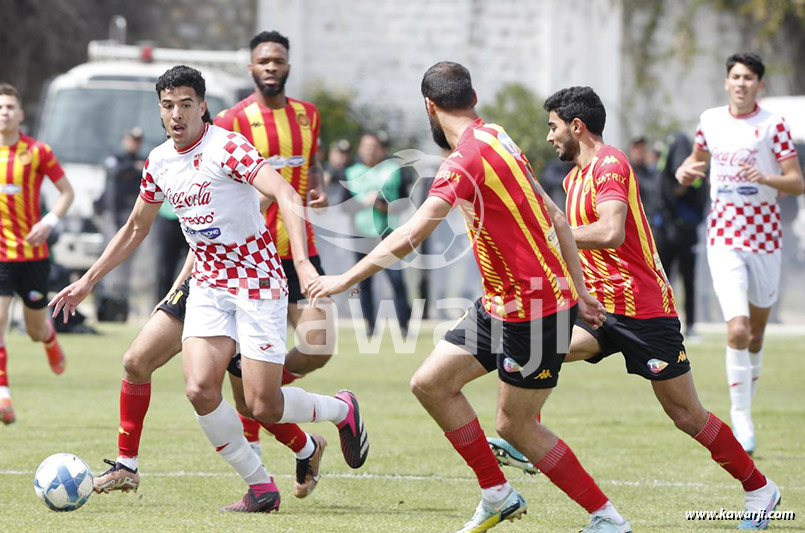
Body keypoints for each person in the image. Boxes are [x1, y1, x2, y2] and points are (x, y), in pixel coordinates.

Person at [309, 62, 631, 533]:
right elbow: (556, 219)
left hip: (535, 313)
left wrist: (343, 278)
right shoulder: (498, 136)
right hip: (501, 305)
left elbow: (413, 232)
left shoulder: (463, 162)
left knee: (516, 426)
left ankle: (607, 518)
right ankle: (497, 493)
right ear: (474, 96)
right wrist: (581, 293)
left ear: (430, 106)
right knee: (430, 384)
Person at [50, 65, 368, 511]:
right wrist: (86, 281)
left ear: (202, 107)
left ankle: (341, 410)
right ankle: (261, 488)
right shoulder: (159, 160)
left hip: (257, 284)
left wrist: (303, 266)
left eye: (185, 105)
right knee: (200, 389)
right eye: (168, 106)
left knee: (263, 405)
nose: (177, 114)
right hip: (209, 286)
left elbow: (286, 194)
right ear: (160, 112)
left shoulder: (227, 147)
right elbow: (135, 227)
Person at [491, 86, 781, 531]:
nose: (550, 138)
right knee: (538, 345)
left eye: (552, 127)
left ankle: (760, 490)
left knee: (686, 414)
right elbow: (566, 239)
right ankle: (522, 431)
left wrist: (552, 238)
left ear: (576, 125)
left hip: (644, 312)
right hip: (599, 310)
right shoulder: (571, 180)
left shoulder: (612, 163)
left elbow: (609, 232)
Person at [676, 53, 804, 456]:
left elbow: (796, 182)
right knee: (737, 330)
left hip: (765, 238)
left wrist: (765, 177)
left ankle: (747, 404)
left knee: (757, 334)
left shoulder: (773, 125)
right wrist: (684, 172)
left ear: (759, 85)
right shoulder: (710, 120)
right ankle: (741, 416)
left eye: (749, 77)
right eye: (735, 77)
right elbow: (696, 161)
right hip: (724, 236)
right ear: (727, 82)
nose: (742, 83)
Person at [214, 30, 335, 448]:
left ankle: (264, 390)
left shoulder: (308, 115)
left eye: (277, 61)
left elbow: (313, 161)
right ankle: (262, 421)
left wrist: (318, 187)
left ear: (287, 66)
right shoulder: (232, 120)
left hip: (301, 251)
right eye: (263, 61)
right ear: (251, 68)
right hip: (251, 259)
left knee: (320, 346)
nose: (271, 67)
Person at [0, 83, 74, 425]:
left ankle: (48, 336)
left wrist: (49, 221)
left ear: (21, 114)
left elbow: (66, 192)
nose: (5, 112)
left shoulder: (38, 151)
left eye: (11, 107)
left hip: (32, 256)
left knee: (33, 330)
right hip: (1, 258)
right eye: (1, 107)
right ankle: (4, 397)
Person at [342, 132, 412, 334]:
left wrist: (385, 207)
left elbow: (404, 202)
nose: (370, 150)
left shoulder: (393, 170)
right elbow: (344, 207)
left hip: (388, 233)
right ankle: (370, 325)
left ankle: (404, 325)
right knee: (364, 282)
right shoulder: (351, 173)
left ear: (381, 149)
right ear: (360, 149)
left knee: (397, 280)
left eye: (374, 146)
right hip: (361, 234)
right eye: (366, 146)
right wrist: (364, 203)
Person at [655, 131, 708, 339]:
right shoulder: (673, 150)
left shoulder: (690, 159)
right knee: (665, 279)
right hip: (667, 229)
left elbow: (698, 193)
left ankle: (691, 324)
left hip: (685, 229)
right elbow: (661, 190)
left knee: (687, 278)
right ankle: (664, 323)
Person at [96, 127, 146, 312]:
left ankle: (121, 300)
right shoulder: (116, 157)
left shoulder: (141, 160)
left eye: (138, 140)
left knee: (128, 259)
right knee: (108, 254)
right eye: (132, 139)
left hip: (130, 215)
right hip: (112, 214)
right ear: (125, 139)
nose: (135, 143)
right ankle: (104, 298)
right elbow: (115, 172)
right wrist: (132, 169)